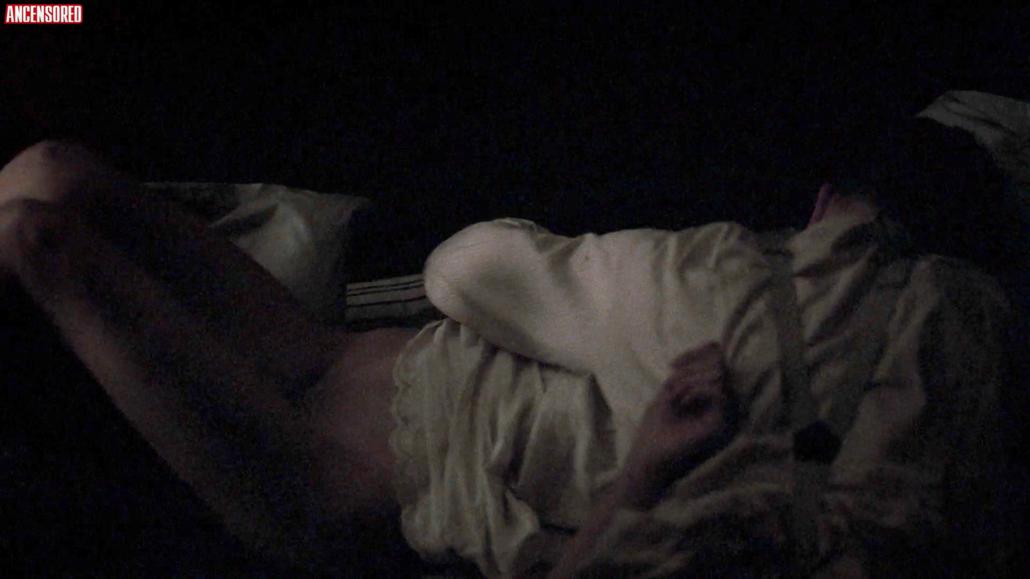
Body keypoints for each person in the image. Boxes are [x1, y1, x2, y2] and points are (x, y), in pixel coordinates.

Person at [0, 118, 1017, 576]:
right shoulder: (963, 436)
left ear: (828, 204)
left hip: (344, 483)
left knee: (41, 220)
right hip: (356, 372)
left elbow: (467, 270)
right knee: (51, 184)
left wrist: (646, 467)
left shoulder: (721, 283)